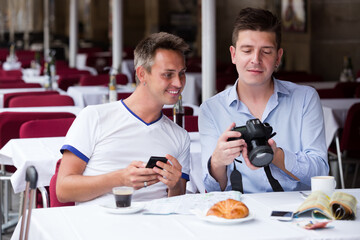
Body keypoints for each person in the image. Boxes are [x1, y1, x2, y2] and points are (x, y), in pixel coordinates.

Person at [199, 7, 329, 193]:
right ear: (233, 54)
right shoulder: (211, 109)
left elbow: (320, 172)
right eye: (247, 50)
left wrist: (276, 156)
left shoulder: (305, 99)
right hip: (237, 213)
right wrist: (218, 161)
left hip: (295, 210)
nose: (256, 59)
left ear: (278, 57)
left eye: (266, 51)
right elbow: (212, 189)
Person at [57, 32, 191, 205]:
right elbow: (62, 190)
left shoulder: (180, 137)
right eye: (168, 74)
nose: (179, 83)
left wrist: (175, 187)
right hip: (96, 227)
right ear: (142, 74)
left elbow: (178, 203)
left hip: (155, 228)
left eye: (182, 73)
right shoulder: (94, 117)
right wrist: (119, 179)